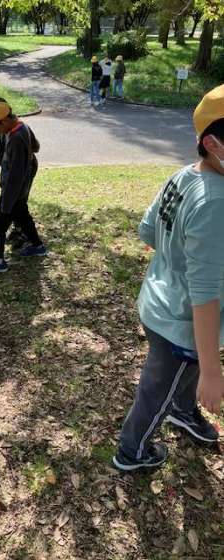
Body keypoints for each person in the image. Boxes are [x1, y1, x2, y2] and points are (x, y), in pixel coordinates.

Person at [113, 84, 224, 471]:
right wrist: (213, 371)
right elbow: (204, 295)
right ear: (212, 143)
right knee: (156, 389)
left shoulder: (185, 175)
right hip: (182, 324)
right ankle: (132, 452)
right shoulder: (216, 202)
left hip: (156, 300)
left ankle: (182, 409)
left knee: (177, 377)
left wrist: (175, 254)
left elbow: (147, 230)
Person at [0, 100, 47, 275]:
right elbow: (34, 147)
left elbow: (15, 176)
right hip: (20, 189)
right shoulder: (21, 127)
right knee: (23, 215)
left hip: (13, 191)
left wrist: (6, 204)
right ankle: (38, 246)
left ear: (4, 121)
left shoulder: (16, 138)